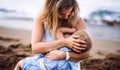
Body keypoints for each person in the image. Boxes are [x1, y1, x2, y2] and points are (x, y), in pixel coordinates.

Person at [14, 0, 92, 70]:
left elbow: (86, 54)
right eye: (61, 14)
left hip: (68, 62)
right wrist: (65, 42)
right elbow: (35, 48)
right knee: (20, 64)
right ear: (51, 9)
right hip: (46, 60)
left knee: (21, 64)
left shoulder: (77, 21)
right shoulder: (42, 19)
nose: (66, 17)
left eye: (70, 12)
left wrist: (65, 55)